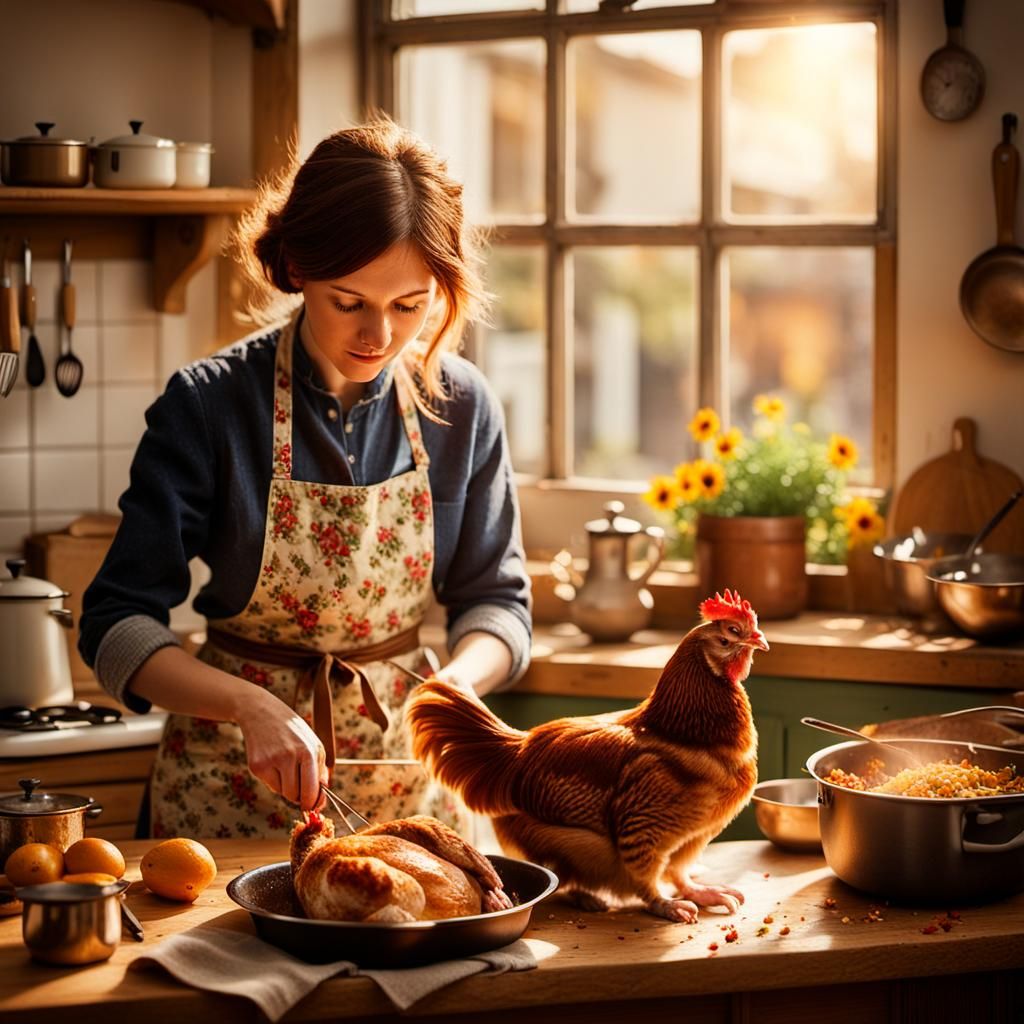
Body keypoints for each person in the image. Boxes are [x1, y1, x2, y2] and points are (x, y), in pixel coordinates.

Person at [79, 119, 532, 841]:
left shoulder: (464, 406)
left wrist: (456, 684)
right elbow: (115, 624)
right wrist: (248, 705)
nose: (378, 336)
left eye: (409, 306)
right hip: (229, 784)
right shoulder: (210, 405)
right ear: (296, 269)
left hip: (405, 784)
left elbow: (498, 603)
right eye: (349, 302)